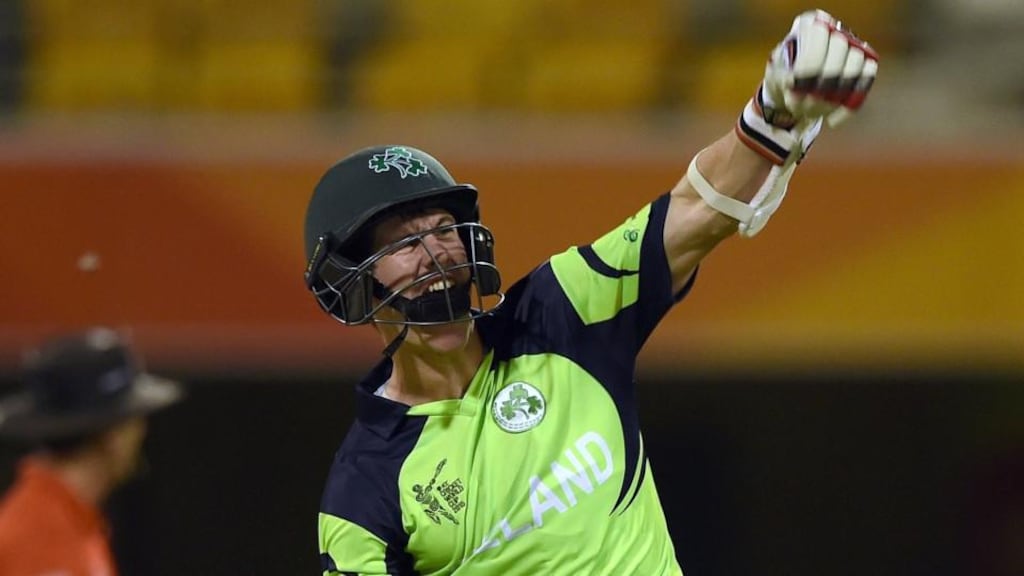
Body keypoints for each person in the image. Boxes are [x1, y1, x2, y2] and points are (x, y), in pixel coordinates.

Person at [303, 10, 878, 575]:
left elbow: (695, 210)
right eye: (405, 242)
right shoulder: (363, 491)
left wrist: (772, 112)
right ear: (351, 285)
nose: (439, 253)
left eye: (444, 228)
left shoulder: (561, 311)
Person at [0, 327, 183, 576]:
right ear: (112, 436)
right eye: (133, 422)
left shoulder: (72, 521)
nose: (142, 432)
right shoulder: (39, 537)